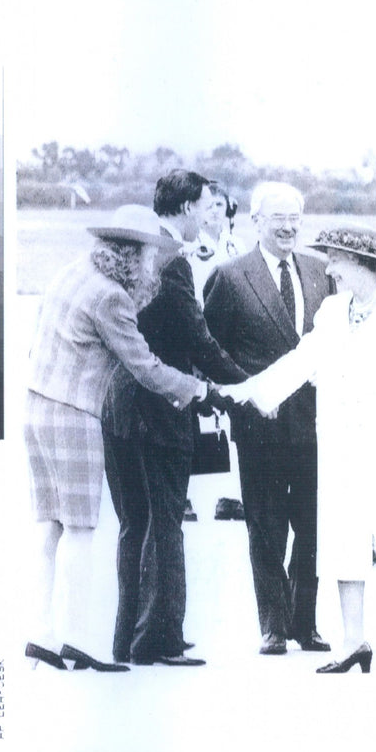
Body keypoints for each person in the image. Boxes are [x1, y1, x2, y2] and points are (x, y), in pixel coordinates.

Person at [221, 226, 376, 673]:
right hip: (343, 441)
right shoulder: (331, 310)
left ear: (363, 265)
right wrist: (250, 391)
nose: (328, 269)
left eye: (336, 261)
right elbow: (302, 360)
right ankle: (352, 641)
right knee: (344, 535)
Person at [23, 204, 210, 671]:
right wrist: (195, 388)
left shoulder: (76, 270)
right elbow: (143, 366)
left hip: (36, 405)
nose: (156, 262)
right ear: (134, 253)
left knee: (50, 527)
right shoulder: (111, 297)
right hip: (74, 413)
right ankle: (77, 641)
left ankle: (42, 632)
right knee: (82, 529)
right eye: (152, 253)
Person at [101, 170, 247, 667]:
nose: (210, 215)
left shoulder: (135, 251)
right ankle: (159, 637)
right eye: (207, 206)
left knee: (132, 525)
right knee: (165, 525)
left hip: (120, 407)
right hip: (160, 412)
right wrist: (241, 386)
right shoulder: (171, 261)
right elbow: (197, 340)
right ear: (185, 209)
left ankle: (129, 636)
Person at [203, 182, 333, 655]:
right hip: (261, 424)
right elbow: (211, 349)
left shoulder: (321, 272)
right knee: (266, 525)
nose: (287, 227)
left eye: (294, 218)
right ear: (256, 221)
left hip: (316, 422)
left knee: (315, 525)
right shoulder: (230, 276)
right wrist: (246, 395)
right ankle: (273, 626)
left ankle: (306, 622)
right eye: (277, 218)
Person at [186, 181, 247, 522]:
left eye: (220, 206)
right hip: (199, 331)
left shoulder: (235, 244)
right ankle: (186, 496)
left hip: (229, 337)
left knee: (230, 415)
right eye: (208, 206)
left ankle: (230, 495)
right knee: (194, 416)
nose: (214, 212)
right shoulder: (191, 247)